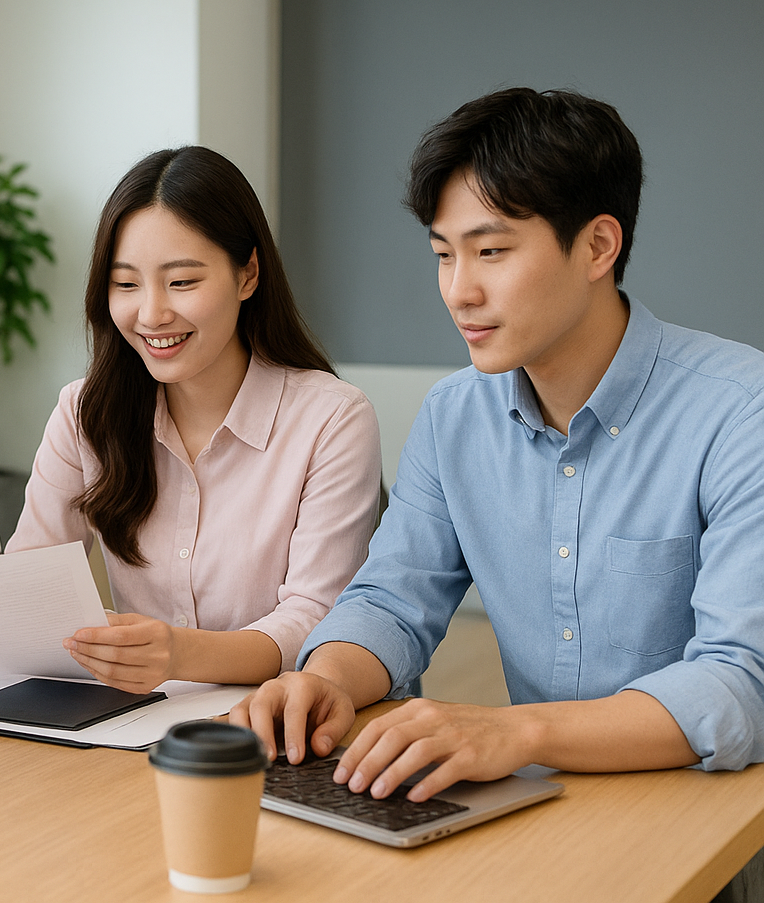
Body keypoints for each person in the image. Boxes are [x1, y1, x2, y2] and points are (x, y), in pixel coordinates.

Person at [232, 89, 764, 811]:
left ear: (598, 246)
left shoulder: (739, 409)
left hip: (705, 818)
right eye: (443, 255)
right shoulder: (454, 416)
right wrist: (325, 679)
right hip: (539, 809)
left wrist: (517, 733)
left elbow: (741, 680)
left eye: (490, 252)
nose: (459, 291)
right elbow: (391, 599)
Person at [5, 146, 382, 693]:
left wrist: (179, 654)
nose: (151, 314)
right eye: (126, 284)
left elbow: (316, 620)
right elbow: (29, 586)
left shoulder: (332, 419)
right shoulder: (85, 412)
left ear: (248, 274)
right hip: (131, 722)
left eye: (181, 282)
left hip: (276, 716)